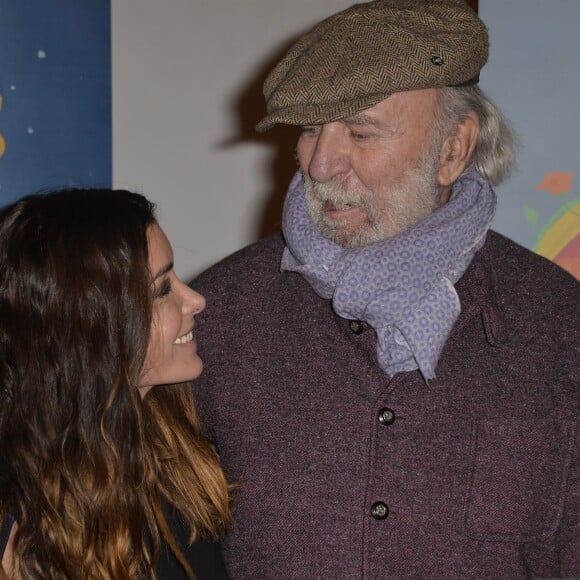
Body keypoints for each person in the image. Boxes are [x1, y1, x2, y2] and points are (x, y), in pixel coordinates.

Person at [191, 0, 580, 578]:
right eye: (311, 130)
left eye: (360, 133)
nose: (320, 165)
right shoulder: (216, 315)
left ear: (453, 148)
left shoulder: (558, 323)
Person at [0, 189, 230, 579]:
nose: (196, 300)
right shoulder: (24, 519)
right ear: (92, 330)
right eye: (161, 290)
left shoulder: (180, 449)